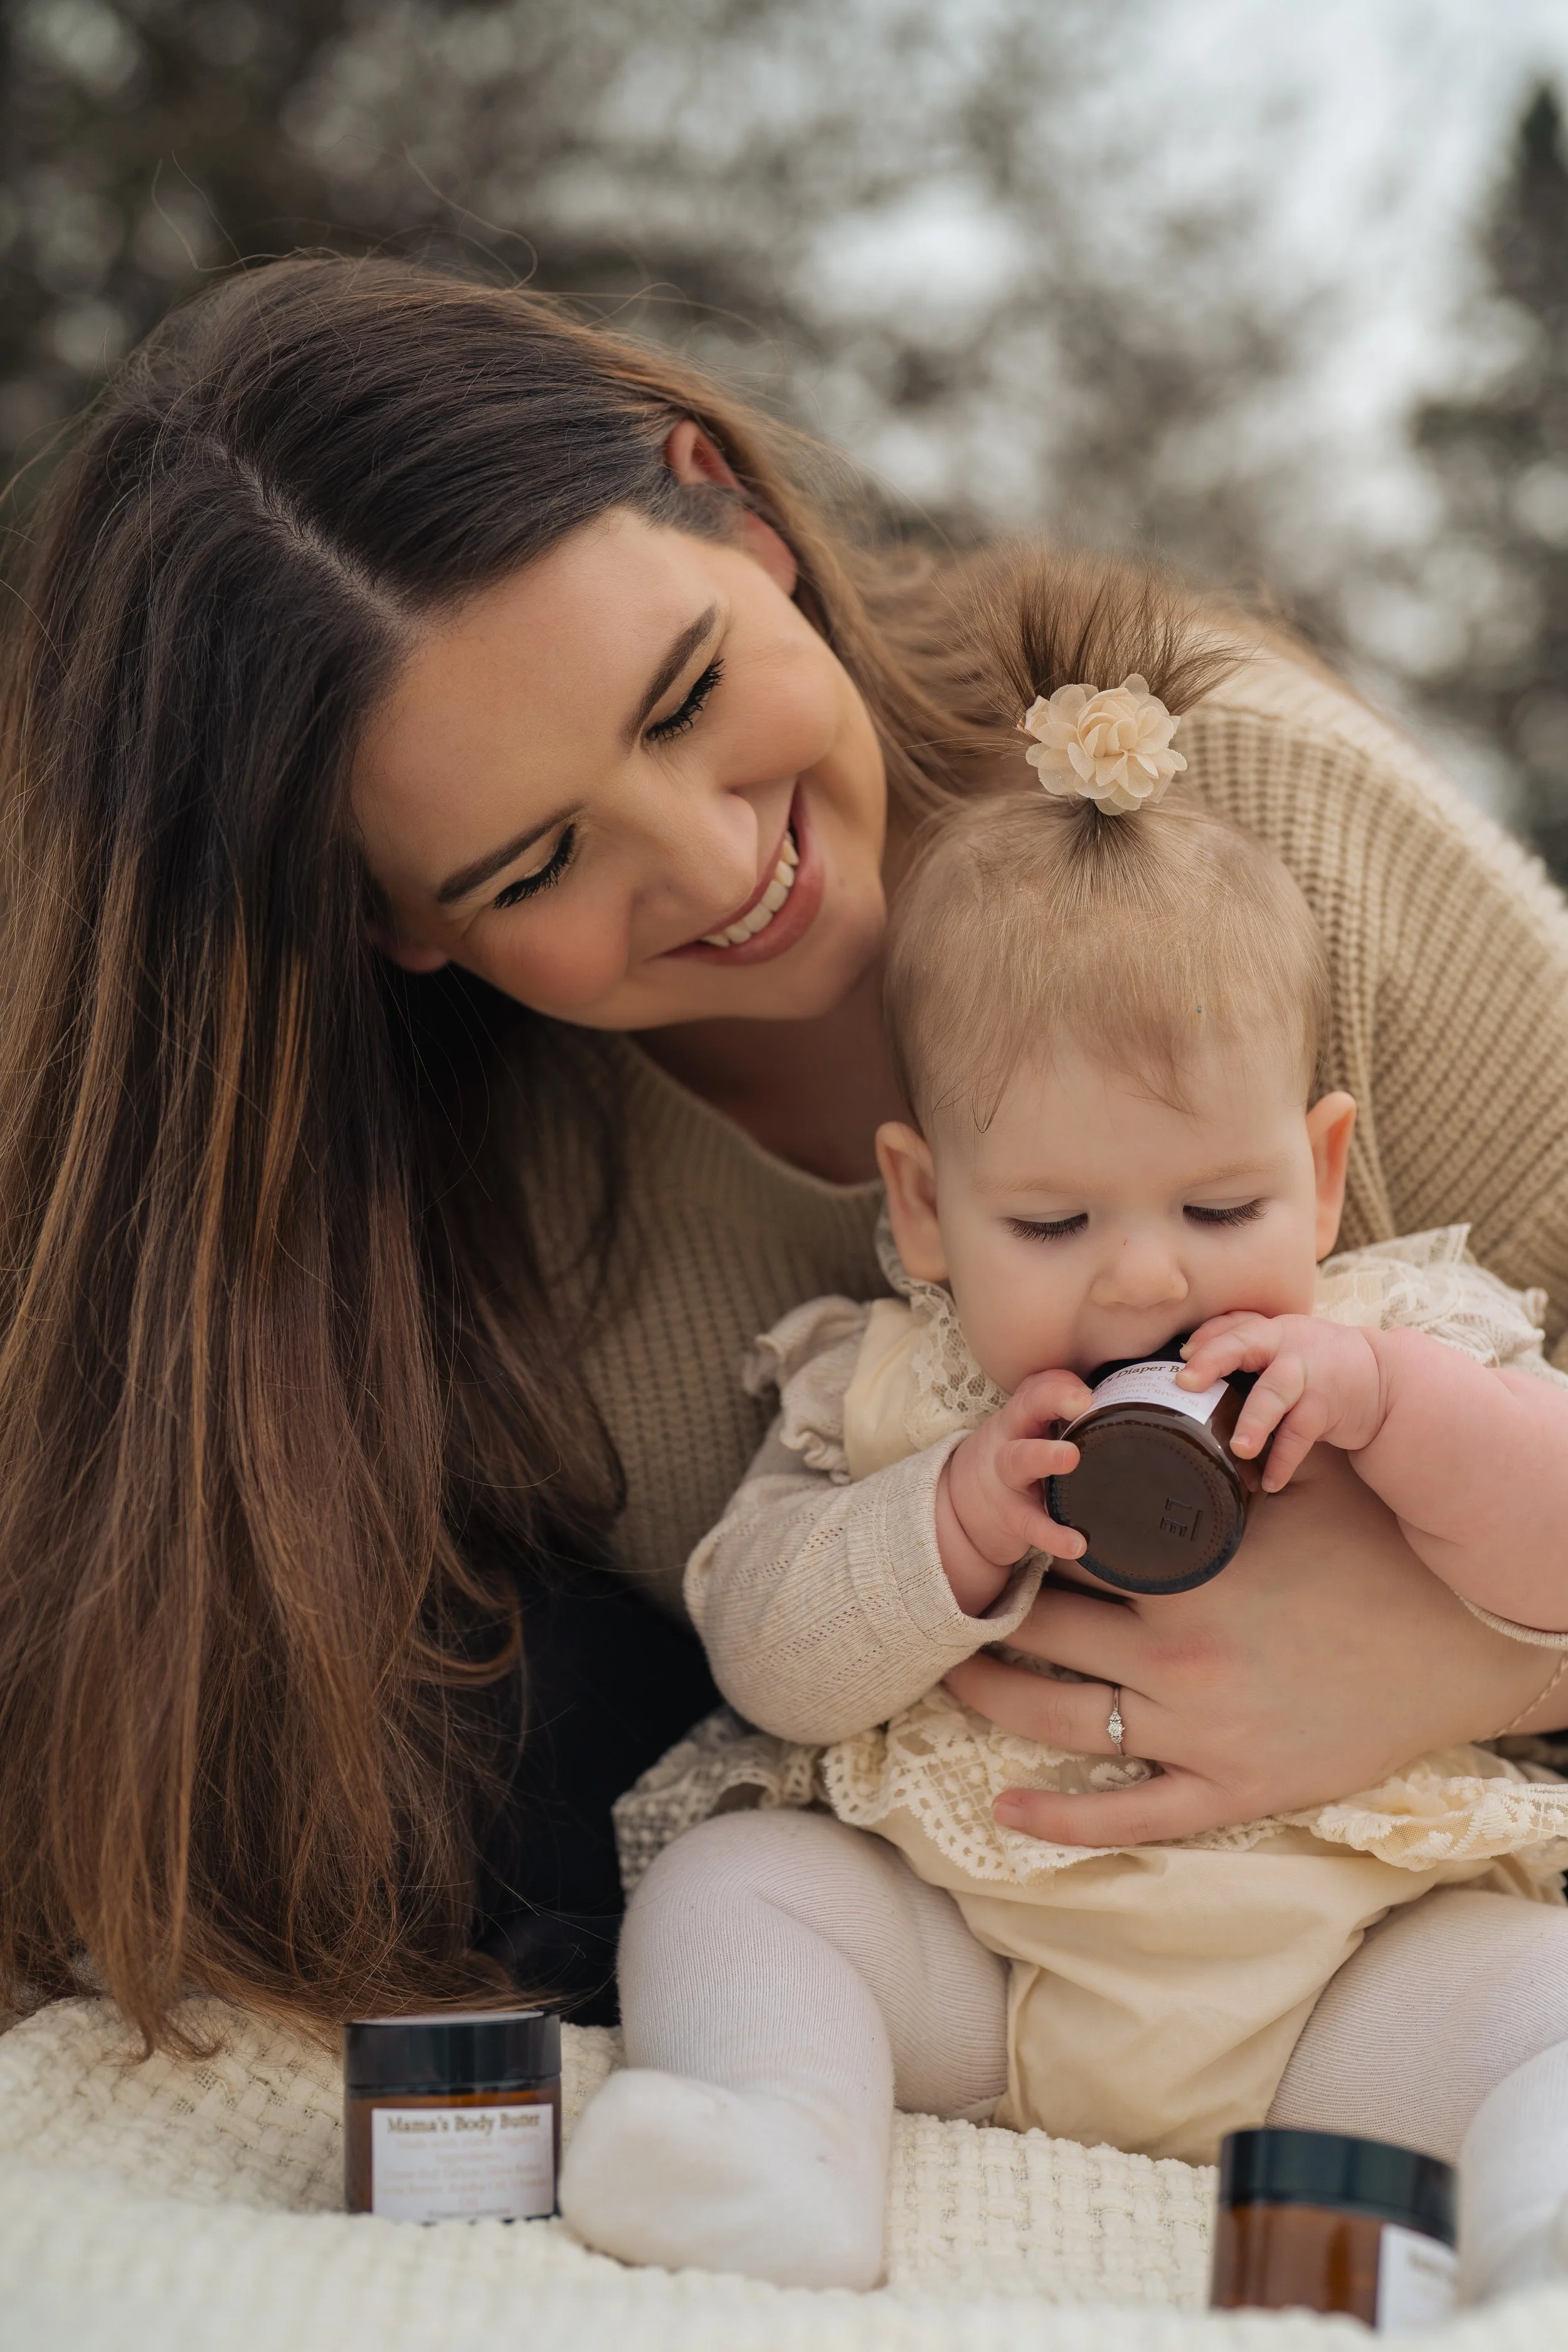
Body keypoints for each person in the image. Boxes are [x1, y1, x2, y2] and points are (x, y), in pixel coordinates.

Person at [1, 255, 1566, 2084]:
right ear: (390, 921)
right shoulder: (439, 1206)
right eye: (530, 867)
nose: (712, 858)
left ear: (734, 515)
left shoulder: (1225, 822)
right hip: (954, 1937)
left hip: (1423, 1919)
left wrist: (1496, 1672)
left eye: (680, 699)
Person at [560, 714, 1568, 2299]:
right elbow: (763, 1653)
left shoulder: (1401, 1342)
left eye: (1220, 1206)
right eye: (1050, 1218)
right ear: (924, 1205)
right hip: (980, 1959)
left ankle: (1542, 2231)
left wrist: (1406, 1413)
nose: (1145, 1274)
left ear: (1318, 1175)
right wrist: (937, 1532)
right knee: (737, 1892)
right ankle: (779, 2150)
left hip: (1349, 1976)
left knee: (1547, 2007)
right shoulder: (886, 1392)